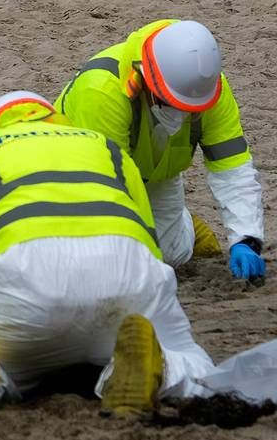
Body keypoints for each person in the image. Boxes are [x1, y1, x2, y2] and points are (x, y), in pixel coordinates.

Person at [0, 91, 214, 416]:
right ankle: (157, 370)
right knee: (190, 360)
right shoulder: (108, 149)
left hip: (27, 282)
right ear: (53, 118)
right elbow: (152, 250)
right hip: (126, 279)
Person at [55, 19, 265, 279]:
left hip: (155, 173)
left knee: (169, 255)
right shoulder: (102, 91)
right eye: (170, 102)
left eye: (189, 108)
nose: (180, 115)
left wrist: (246, 239)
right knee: (113, 260)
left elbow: (232, 167)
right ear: (144, 76)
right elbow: (108, 190)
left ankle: (182, 227)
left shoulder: (208, 89)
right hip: (80, 180)